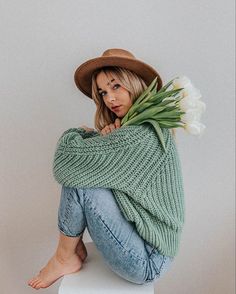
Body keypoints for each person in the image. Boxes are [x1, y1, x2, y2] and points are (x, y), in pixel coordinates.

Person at [28, 48, 185, 290]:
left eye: (116, 87)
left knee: (80, 176)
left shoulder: (141, 134)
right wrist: (105, 139)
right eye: (102, 92)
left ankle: (64, 257)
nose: (109, 98)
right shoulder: (137, 128)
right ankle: (70, 251)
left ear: (134, 84)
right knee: (85, 169)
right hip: (144, 242)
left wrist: (82, 134)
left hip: (147, 261)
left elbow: (65, 162)